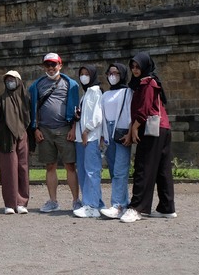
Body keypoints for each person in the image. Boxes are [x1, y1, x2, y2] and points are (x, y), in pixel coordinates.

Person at [120, 52, 176, 223]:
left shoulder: (148, 83)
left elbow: (143, 109)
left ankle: (137, 207)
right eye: (133, 67)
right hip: (162, 127)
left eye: (138, 67)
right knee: (161, 168)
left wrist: (134, 128)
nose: (135, 70)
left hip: (151, 127)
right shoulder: (149, 82)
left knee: (143, 166)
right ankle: (167, 207)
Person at [28, 53, 81, 213]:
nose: (51, 68)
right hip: (44, 130)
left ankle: (76, 200)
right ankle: (53, 200)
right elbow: (33, 109)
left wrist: (73, 128)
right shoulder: (36, 86)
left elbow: (76, 109)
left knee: (70, 165)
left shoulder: (70, 84)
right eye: (47, 65)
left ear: (60, 65)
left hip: (65, 129)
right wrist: (35, 129)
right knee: (50, 166)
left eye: (53, 65)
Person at [0, 70, 31, 215]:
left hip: (22, 136)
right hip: (6, 139)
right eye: (7, 80)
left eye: (12, 80)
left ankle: (21, 202)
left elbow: (30, 119)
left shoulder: (26, 98)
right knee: (8, 170)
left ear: (18, 81)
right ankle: (10, 203)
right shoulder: (2, 99)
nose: (10, 82)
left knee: (23, 168)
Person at [73, 65, 107, 218]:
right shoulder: (85, 94)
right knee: (85, 171)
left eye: (87, 74)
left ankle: (91, 205)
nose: (84, 76)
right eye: (81, 74)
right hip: (82, 138)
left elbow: (97, 116)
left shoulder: (95, 91)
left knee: (91, 171)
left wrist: (86, 130)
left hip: (89, 137)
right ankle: (96, 203)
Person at [100, 63, 133, 219]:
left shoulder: (127, 92)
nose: (112, 76)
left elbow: (131, 113)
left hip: (121, 130)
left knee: (120, 169)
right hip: (108, 131)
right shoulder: (105, 94)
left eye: (116, 73)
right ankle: (123, 202)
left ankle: (117, 204)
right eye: (110, 73)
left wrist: (130, 132)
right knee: (114, 170)